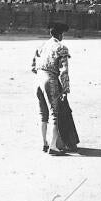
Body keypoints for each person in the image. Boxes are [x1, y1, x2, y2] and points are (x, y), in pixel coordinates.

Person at [31, 22, 72, 156]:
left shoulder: (42, 46)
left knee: (43, 113)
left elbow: (33, 66)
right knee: (55, 113)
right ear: (60, 34)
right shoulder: (61, 48)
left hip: (38, 81)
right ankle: (53, 146)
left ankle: (45, 143)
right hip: (50, 80)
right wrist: (65, 89)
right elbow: (64, 70)